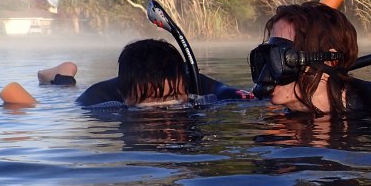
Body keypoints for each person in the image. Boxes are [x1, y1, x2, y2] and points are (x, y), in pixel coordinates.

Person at [76, 39, 254, 109]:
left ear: (185, 90)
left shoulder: (193, 83)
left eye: (173, 98)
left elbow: (233, 94)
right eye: (149, 104)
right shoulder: (96, 98)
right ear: (125, 97)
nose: (165, 122)